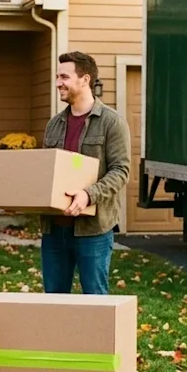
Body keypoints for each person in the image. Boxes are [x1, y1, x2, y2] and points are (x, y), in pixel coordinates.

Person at [40, 51, 131, 294]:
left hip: (93, 231)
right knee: (54, 303)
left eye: (64, 77)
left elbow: (121, 171)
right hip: (54, 230)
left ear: (85, 79)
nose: (58, 83)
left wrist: (88, 195)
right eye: (57, 77)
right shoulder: (54, 124)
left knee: (95, 302)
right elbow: (46, 171)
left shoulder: (112, 122)